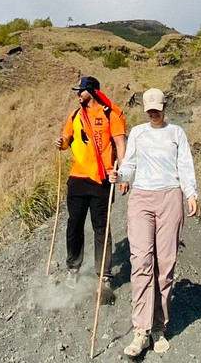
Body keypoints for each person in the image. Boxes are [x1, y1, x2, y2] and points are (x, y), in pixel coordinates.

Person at [110, 87, 197, 358]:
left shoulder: (176, 133)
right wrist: (120, 175)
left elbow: (185, 165)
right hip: (141, 199)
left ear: (165, 106)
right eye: (149, 110)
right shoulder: (138, 132)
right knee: (141, 261)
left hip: (170, 196)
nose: (153, 113)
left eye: (157, 109)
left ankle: (159, 327)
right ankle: (141, 331)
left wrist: (191, 192)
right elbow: (129, 164)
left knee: (166, 264)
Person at [55, 75, 126, 284]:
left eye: (81, 90)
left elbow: (120, 145)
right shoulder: (75, 115)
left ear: (92, 91)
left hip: (101, 180)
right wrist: (61, 142)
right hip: (77, 178)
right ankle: (73, 268)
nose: (78, 94)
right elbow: (67, 139)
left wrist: (123, 174)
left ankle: (103, 273)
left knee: (101, 227)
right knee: (74, 224)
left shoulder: (110, 114)